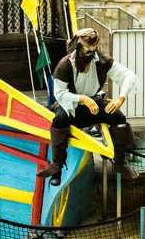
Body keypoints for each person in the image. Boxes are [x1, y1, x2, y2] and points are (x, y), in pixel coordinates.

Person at [38, 27, 138, 184]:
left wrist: (120, 98)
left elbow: (129, 76)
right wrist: (82, 99)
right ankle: (57, 166)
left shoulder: (101, 60)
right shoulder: (65, 65)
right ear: (78, 48)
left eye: (93, 50)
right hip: (71, 105)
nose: (91, 55)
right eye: (87, 51)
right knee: (59, 121)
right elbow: (60, 94)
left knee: (118, 117)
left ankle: (120, 162)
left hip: (95, 104)